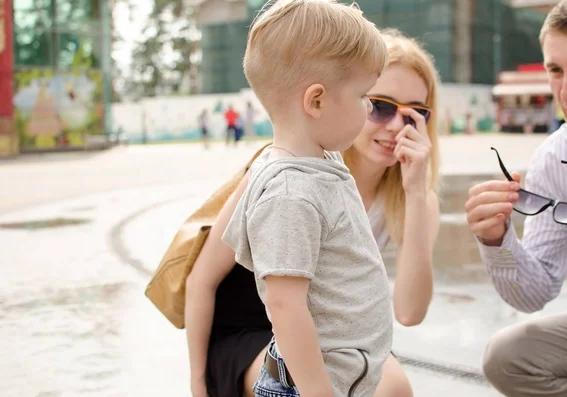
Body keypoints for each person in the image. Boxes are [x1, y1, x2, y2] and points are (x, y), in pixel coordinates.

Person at [185, 26, 440, 397]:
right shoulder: (290, 171)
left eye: (416, 114)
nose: (396, 125)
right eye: (378, 104)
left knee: (394, 388)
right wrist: (197, 383)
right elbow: (201, 280)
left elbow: (409, 314)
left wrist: (416, 193)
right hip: (259, 329)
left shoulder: (413, 197)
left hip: (337, 334)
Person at [464, 1, 567, 395]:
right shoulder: (555, 157)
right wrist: (495, 242)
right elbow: (533, 292)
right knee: (508, 356)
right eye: (555, 70)